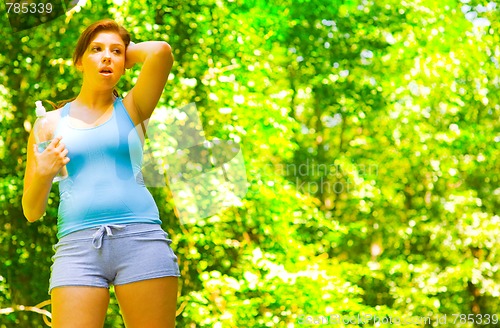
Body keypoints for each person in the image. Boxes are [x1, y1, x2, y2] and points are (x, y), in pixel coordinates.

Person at [22, 19, 179, 328]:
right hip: (77, 249)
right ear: (79, 61)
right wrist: (43, 173)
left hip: (141, 240)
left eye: (116, 52)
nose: (107, 56)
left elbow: (161, 51)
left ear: (126, 63)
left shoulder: (133, 108)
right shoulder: (48, 125)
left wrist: (121, 55)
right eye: (96, 50)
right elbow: (31, 211)